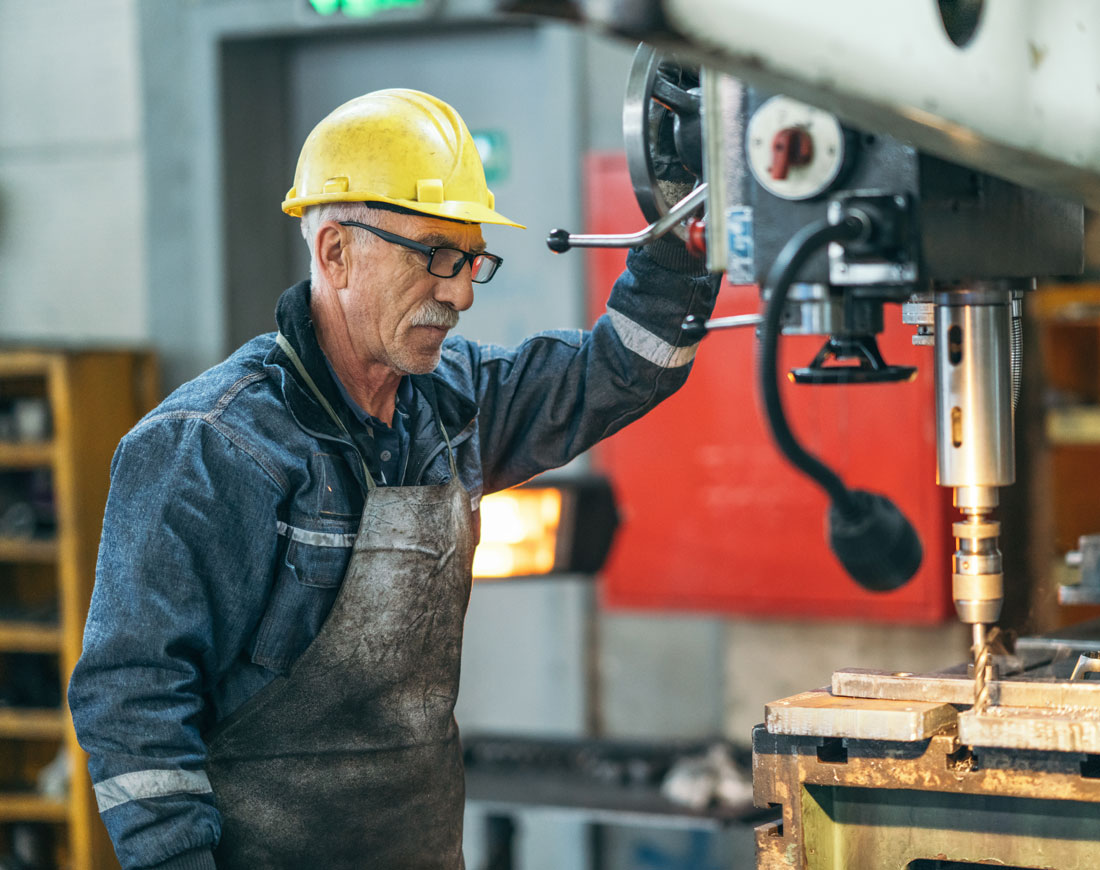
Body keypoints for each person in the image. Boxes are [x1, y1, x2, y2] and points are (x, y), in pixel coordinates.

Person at [68, 88, 718, 870]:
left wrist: (685, 210)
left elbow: (622, 369)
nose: (462, 292)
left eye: (473, 259)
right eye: (435, 257)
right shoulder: (209, 447)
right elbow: (131, 702)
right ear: (335, 251)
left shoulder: (455, 405)